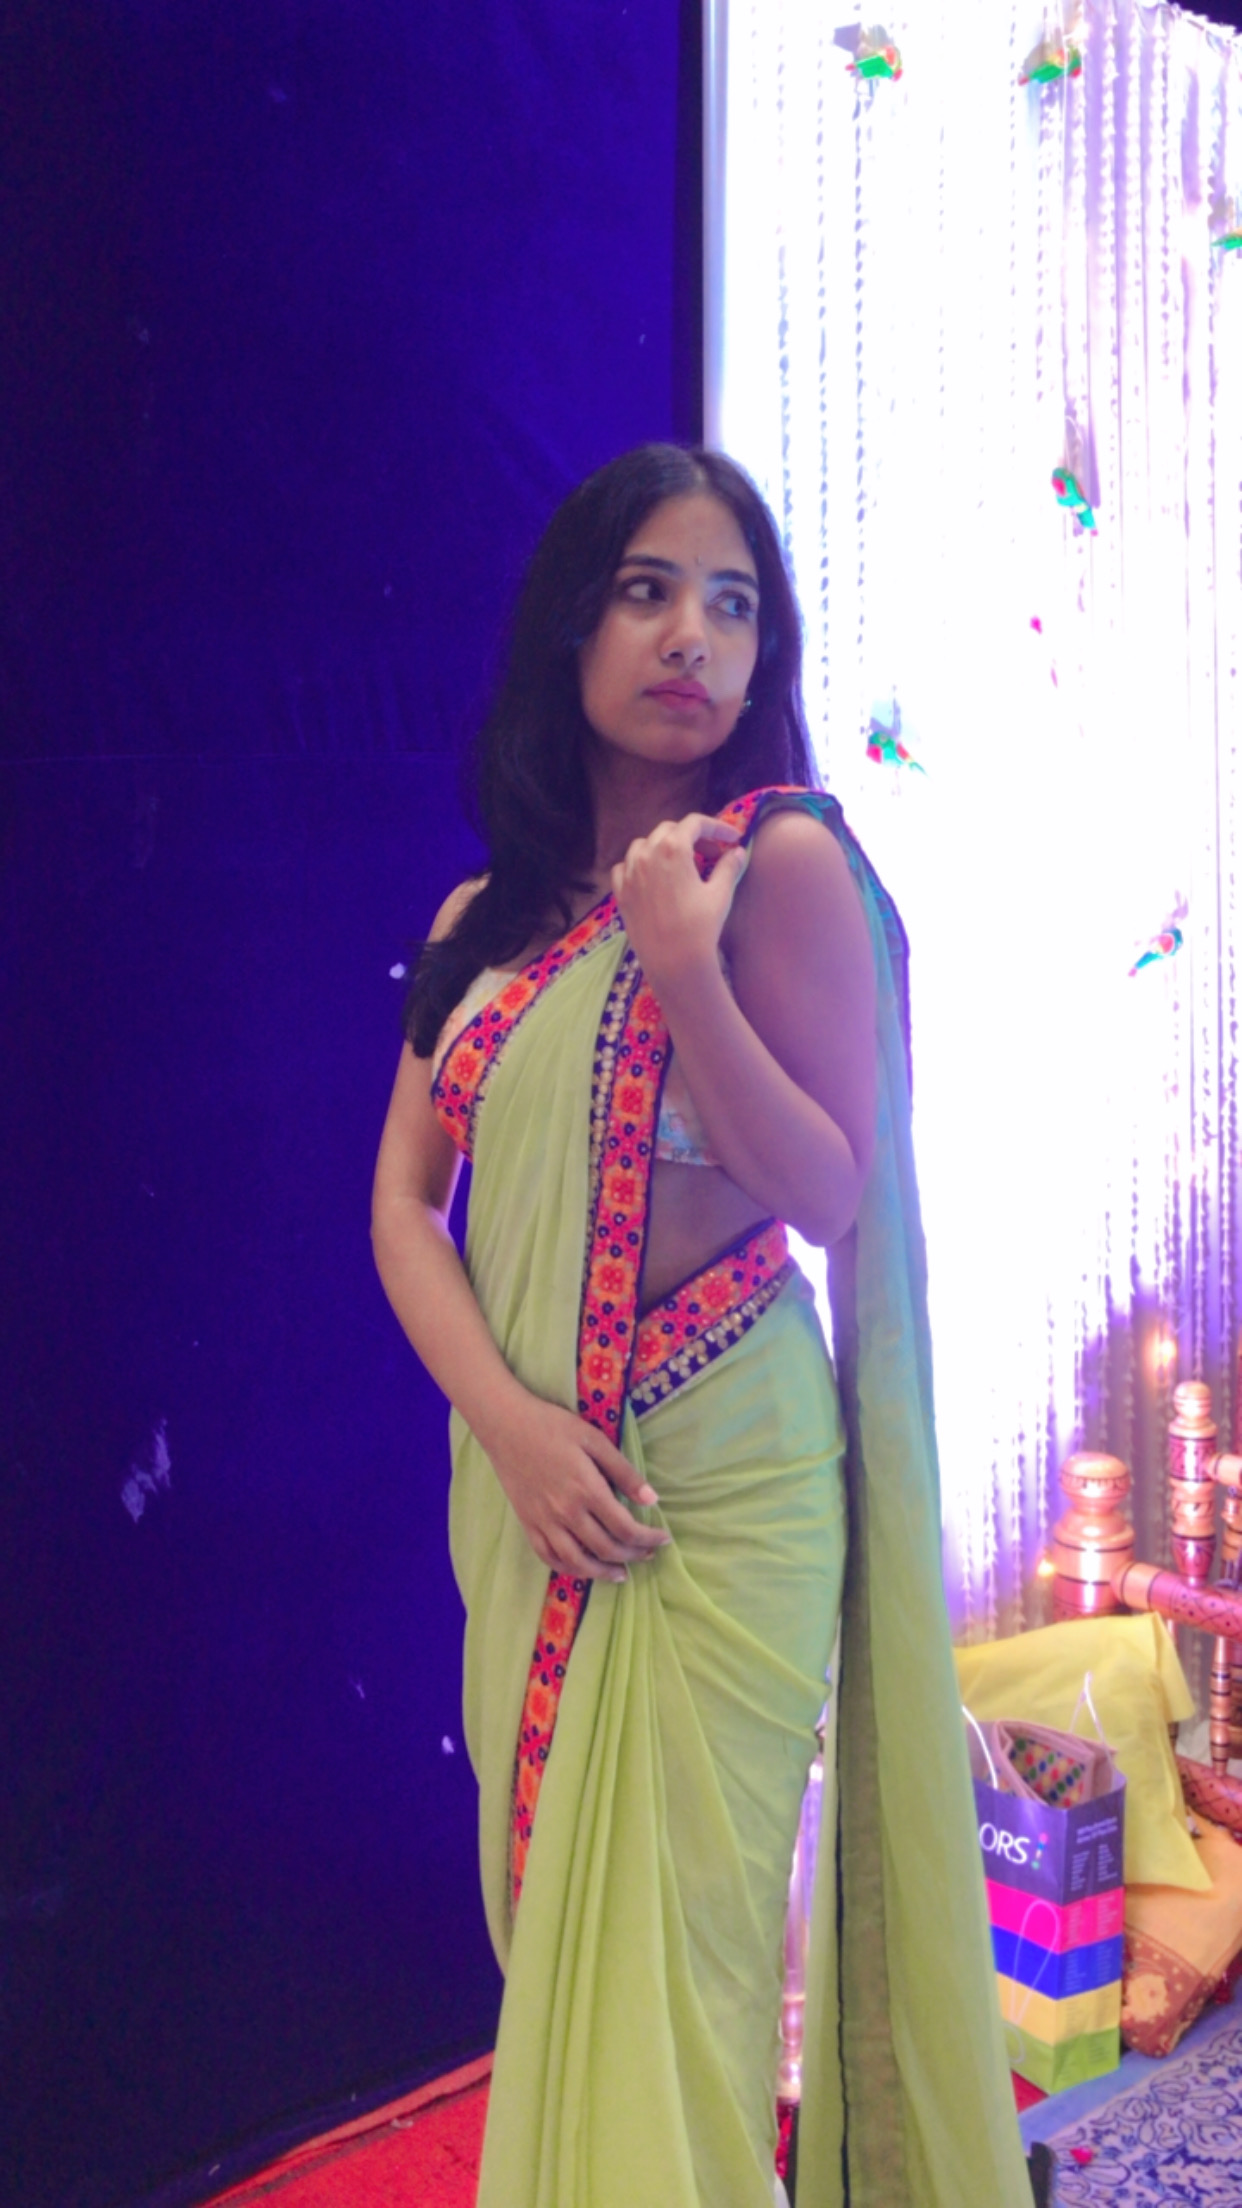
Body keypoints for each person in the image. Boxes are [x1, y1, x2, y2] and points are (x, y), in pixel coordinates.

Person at [372, 446, 1030, 2208]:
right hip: (535, 1489)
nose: (692, 637)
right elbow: (400, 1210)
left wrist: (679, 963)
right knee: (561, 1950)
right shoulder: (476, 925)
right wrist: (512, 1428)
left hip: (714, 1493)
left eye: (733, 606)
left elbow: (825, 1187)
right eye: (648, 591)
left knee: (679, 1987)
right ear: (569, 628)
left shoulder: (776, 863)